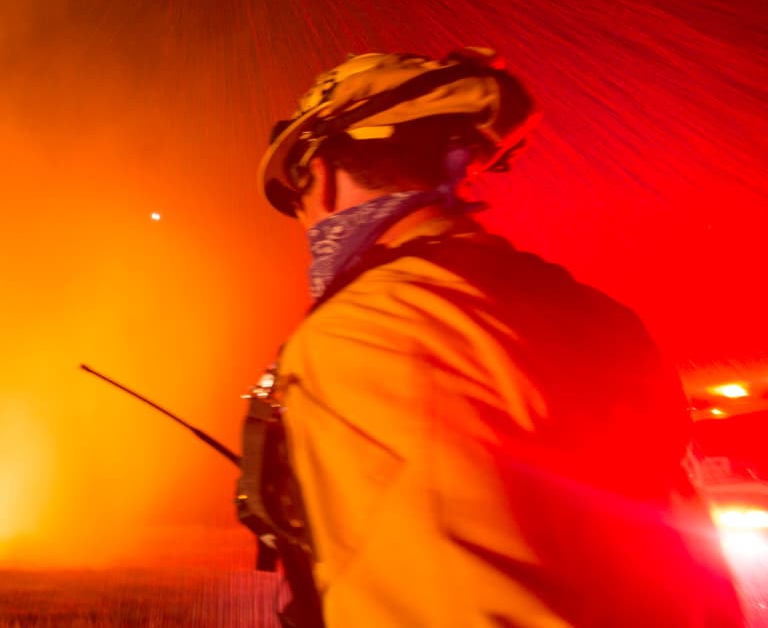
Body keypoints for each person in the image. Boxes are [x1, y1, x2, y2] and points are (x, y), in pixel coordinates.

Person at [249, 48, 743, 627]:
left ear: (324, 179)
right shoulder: (593, 314)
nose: (304, 221)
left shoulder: (379, 328)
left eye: (297, 192)